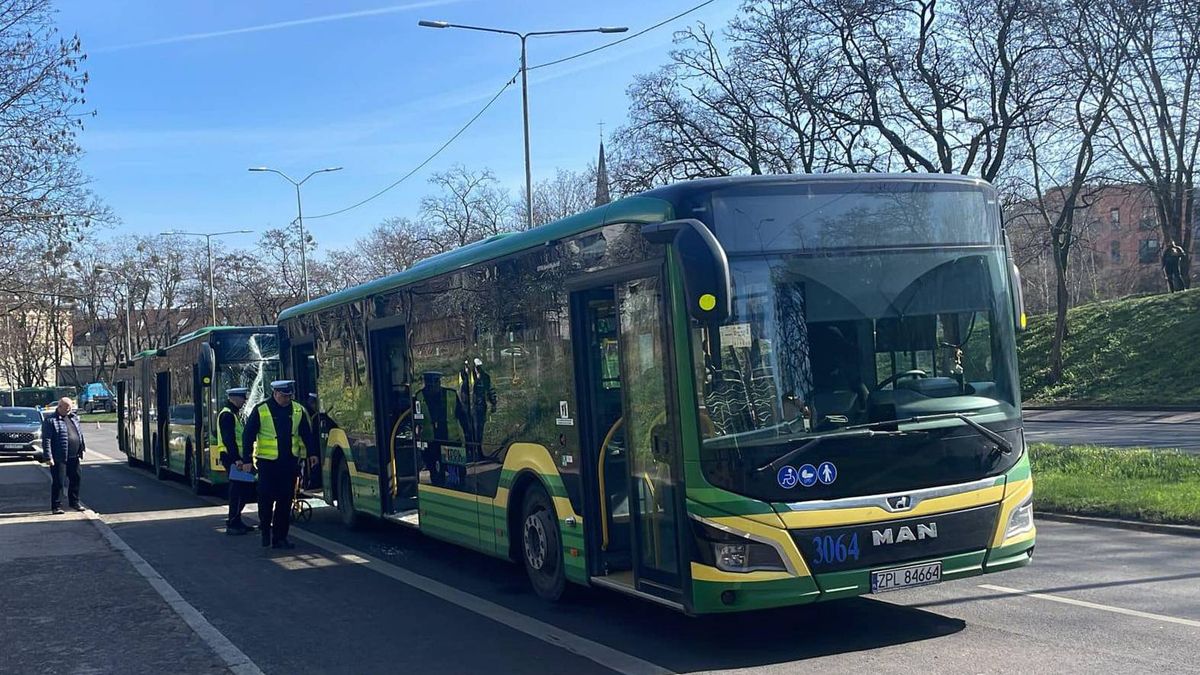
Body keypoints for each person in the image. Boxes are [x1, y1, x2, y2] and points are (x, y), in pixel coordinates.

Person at [241, 380, 318, 550]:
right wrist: (247, 460)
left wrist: (312, 453)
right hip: (267, 464)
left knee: (285, 501)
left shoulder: (298, 409)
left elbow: (306, 433)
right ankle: (265, 532)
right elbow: (248, 435)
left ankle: (280, 538)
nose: (286, 399)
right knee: (265, 499)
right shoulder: (261, 410)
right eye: (284, 396)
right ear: (275, 393)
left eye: (289, 396)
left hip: (289, 462)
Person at [41, 397, 86, 514]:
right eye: (67, 408)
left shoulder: (73, 418)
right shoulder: (51, 420)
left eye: (70, 408)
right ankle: (56, 506)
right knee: (59, 482)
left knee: (76, 479)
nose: (69, 410)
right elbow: (46, 440)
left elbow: (79, 434)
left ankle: (74, 502)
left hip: (74, 456)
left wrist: (81, 448)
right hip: (59, 457)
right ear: (59, 407)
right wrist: (48, 457)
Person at [217, 387, 253, 535]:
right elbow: (228, 439)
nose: (244, 401)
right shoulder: (227, 415)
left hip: (234, 457)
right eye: (242, 398)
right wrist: (237, 459)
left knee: (242, 490)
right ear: (233, 398)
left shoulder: (233, 414)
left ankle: (236, 520)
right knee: (237, 491)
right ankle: (233, 523)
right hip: (232, 458)